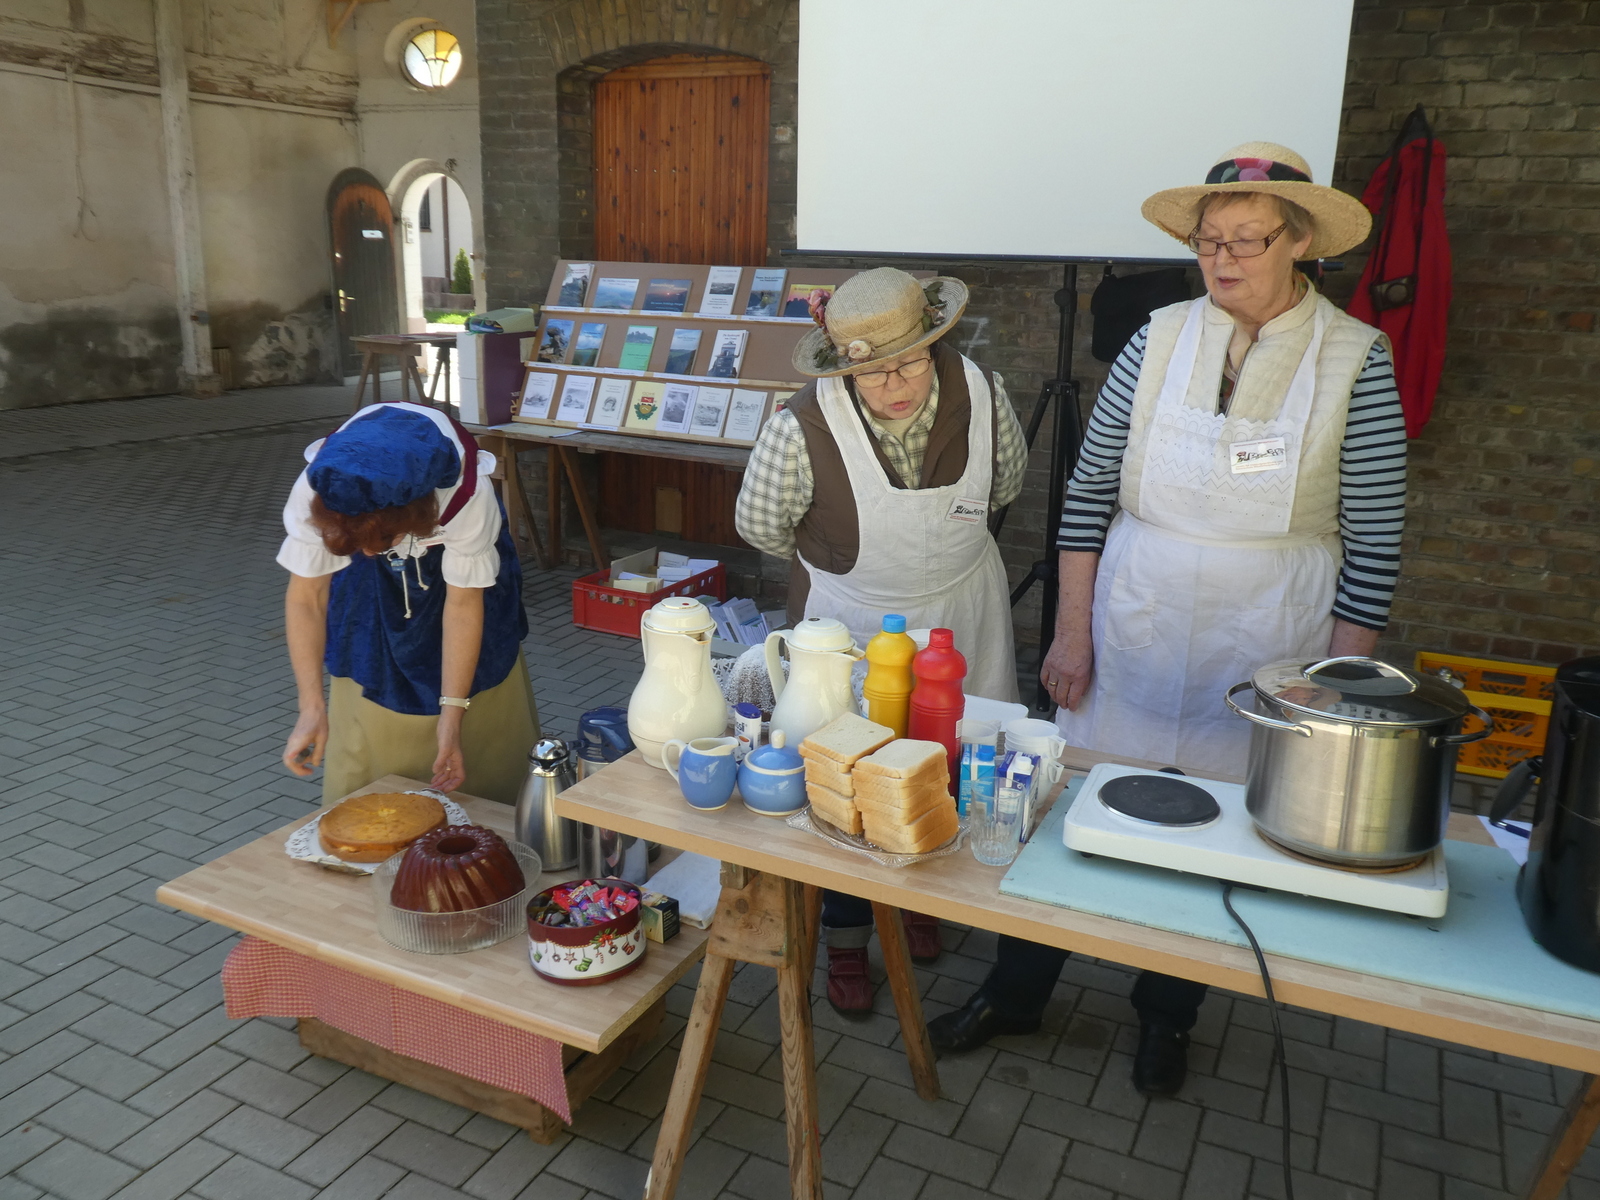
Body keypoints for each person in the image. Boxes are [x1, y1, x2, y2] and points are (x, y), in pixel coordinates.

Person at [932, 144, 1408, 1096]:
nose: (1224, 259)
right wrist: (1069, 636)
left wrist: (1336, 702)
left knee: (1218, 833)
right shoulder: (1155, 337)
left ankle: (1167, 1013)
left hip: (1273, 628)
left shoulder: (1357, 353)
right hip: (1138, 606)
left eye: (1248, 240)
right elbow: (1086, 494)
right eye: (1209, 241)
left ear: (1302, 241)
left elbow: (1377, 536)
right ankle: (1020, 985)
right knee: (1068, 808)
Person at [736, 267, 1030, 1015]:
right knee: (848, 778)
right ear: (843, 367)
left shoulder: (982, 394)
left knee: (951, 762)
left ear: (936, 343)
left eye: (909, 362)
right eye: (871, 373)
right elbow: (761, 528)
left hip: (965, 610)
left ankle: (923, 901)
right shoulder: (799, 425)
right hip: (853, 619)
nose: (895, 384)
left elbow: (1006, 485)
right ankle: (845, 935)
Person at [278, 401, 540, 805]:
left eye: (379, 545)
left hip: (456, 568)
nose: (366, 555)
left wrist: (452, 722)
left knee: (480, 713)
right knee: (365, 668)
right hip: (371, 557)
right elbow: (307, 597)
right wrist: (311, 706)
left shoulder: (467, 496)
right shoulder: (322, 487)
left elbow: (464, 605)